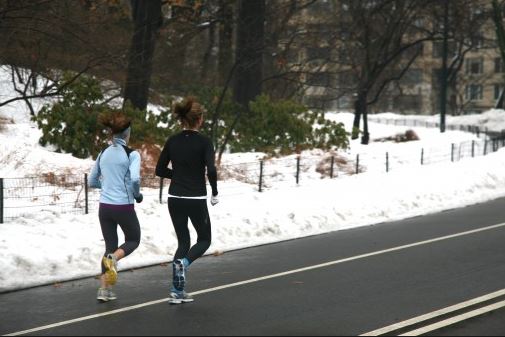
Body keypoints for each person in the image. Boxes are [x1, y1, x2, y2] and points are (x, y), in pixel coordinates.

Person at [156, 97, 219, 305]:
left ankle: (176, 291)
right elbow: (210, 169)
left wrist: (179, 176)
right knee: (204, 239)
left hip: (174, 198)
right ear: (199, 119)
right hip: (195, 198)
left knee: (183, 241)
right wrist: (215, 192)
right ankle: (184, 263)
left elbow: (159, 170)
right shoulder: (204, 142)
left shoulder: (172, 140)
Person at [89, 112, 143, 302]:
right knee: (133, 239)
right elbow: (135, 179)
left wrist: (107, 187)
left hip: (104, 207)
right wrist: (137, 195)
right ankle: (113, 259)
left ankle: (104, 290)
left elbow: (91, 180)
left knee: (109, 246)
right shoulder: (132, 154)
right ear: (127, 134)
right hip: (123, 207)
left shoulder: (103, 153)